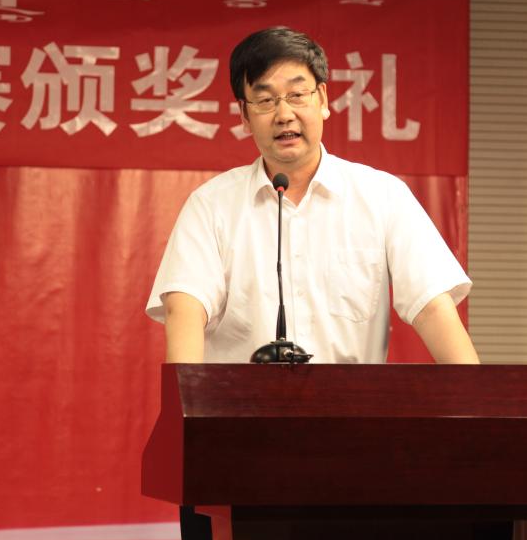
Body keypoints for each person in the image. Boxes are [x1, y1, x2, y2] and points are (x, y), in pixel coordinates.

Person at [145, 26, 478, 365]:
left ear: (322, 99)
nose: (284, 115)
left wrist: (474, 395)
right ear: (244, 115)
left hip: (350, 399)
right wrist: (186, 397)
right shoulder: (211, 205)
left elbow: (433, 308)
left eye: (297, 95)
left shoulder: (383, 196)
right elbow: (184, 308)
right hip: (241, 400)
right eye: (265, 100)